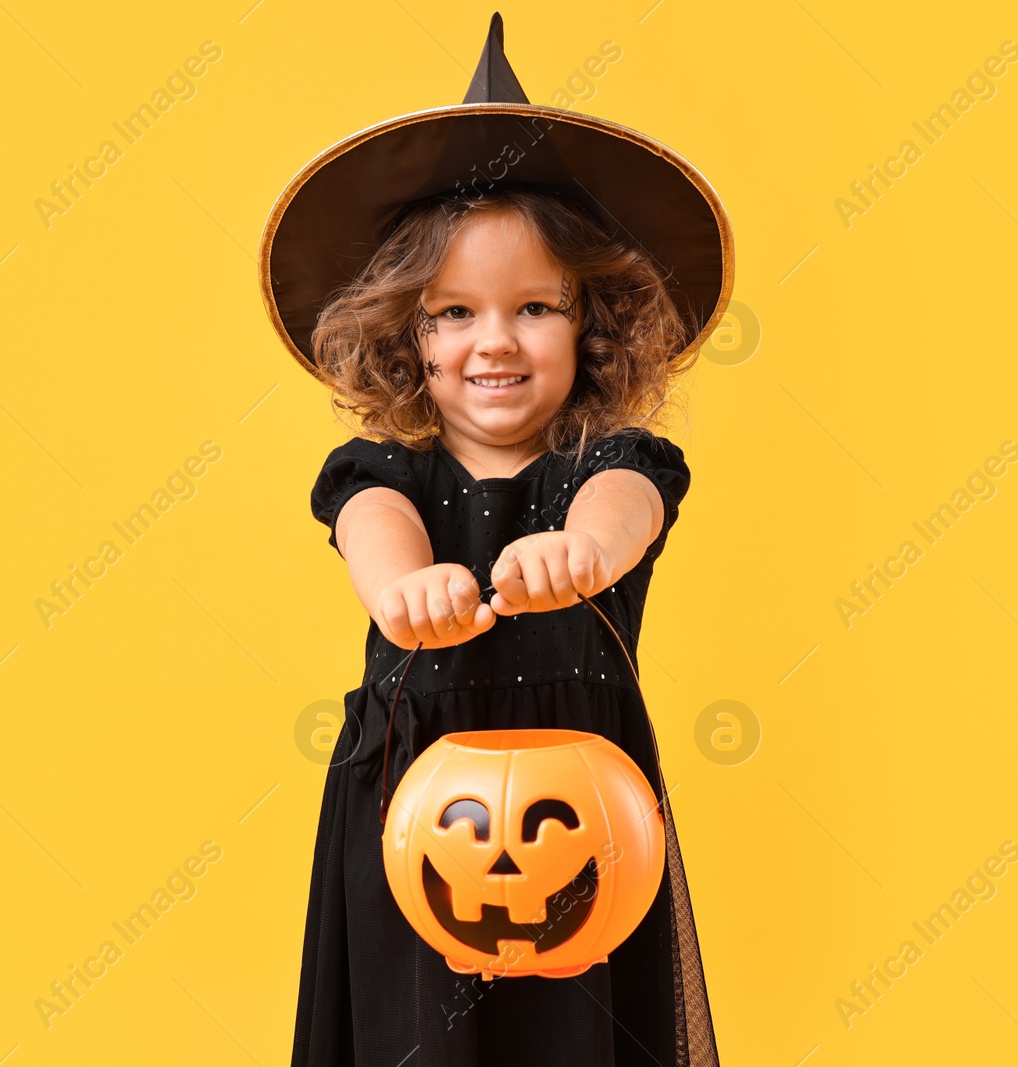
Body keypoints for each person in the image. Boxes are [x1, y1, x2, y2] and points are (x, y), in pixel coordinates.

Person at [259, 14, 734, 1066]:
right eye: (454, 312)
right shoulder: (386, 473)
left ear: (589, 322)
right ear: (405, 331)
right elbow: (368, 533)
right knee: (413, 1039)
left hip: (582, 818)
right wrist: (405, 587)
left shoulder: (609, 464)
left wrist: (584, 552)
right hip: (416, 809)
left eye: (533, 307)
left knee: (585, 1036)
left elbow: (627, 507)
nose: (496, 341)